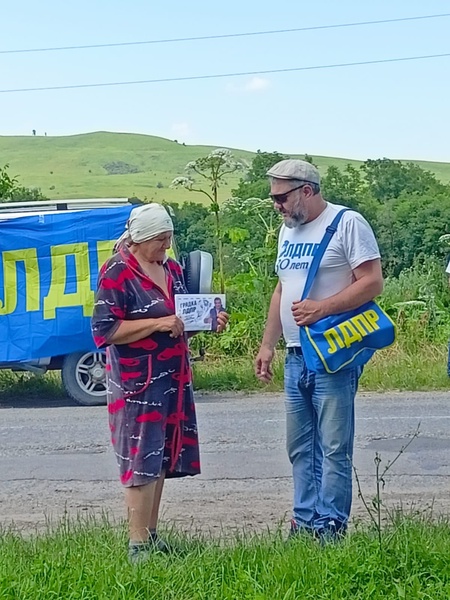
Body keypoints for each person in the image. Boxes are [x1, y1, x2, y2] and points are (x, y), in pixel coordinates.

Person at [91, 203, 228, 563]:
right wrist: (157, 324)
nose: (166, 247)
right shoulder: (117, 272)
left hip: (173, 377)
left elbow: (181, 316)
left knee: (161, 456)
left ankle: (151, 535)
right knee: (140, 457)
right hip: (137, 384)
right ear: (140, 239)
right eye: (160, 240)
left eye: (169, 239)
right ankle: (136, 544)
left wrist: (209, 319)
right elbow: (105, 331)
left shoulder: (171, 268)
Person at [255, 159, 383, 542]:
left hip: (332, 353)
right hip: (296, 354)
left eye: (281, 197)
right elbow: (282, 288)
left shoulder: (347, 223)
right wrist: (267, 344)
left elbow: (373, 282)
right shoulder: (286, 230)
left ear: (306, 190)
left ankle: (331, 526)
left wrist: (322, 308)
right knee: (299, 446)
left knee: (332, 445)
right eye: (273, 198)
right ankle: (305, 520)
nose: (275, 205)